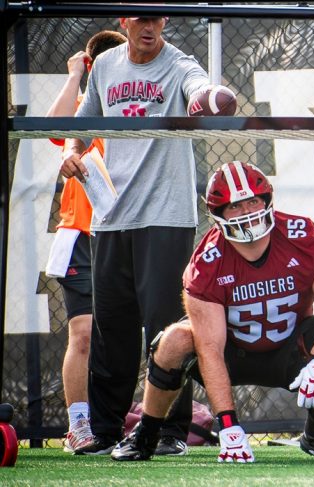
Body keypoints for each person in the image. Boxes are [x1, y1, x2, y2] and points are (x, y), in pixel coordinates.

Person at [108, 161, 314, 463]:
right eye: (234, 206)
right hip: (231, 353)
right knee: (173, 340)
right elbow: (210, 349)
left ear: (267, 200)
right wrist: (229, 427)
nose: (246, 213)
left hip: (288, 346)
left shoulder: (299, 234)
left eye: (252, 201)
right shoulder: (207, 261)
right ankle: (147, 433)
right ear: (218, 214)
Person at [59, 17, 211, 456]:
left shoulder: (179, 62)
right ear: (124, 20)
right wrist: (71, 152)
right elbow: (82, 125)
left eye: (158, 17)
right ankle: (104, 430)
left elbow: (198, 87)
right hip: (110, 216)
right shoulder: (105, 64)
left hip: (166, 216)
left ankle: (169, 432)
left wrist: (207, 98)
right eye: (141, 17)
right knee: (112, 329)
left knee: (168, 329)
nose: (150, 26)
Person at [44, 30, 127, 453]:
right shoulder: (85, 108)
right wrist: (75, 73)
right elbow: (54, 128)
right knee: (84, 333)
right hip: (80, 235)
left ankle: (118, 421)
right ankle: (79, 425)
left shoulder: (135, 109)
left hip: (126, 231)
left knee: (124, 334)